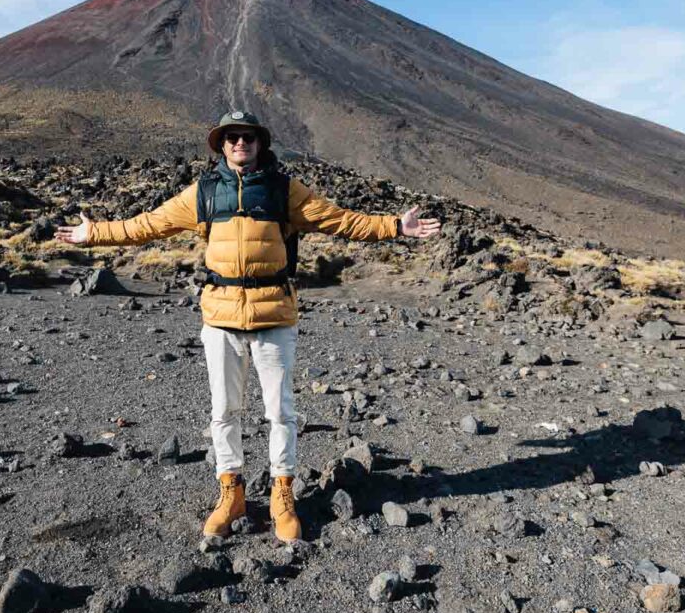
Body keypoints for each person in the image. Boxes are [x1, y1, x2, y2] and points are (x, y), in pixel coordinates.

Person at [57, 110, 441, 542]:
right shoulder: (202, 193)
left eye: (248, 137)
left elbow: (340, 220)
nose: (241, 143)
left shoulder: (284, 190)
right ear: (222, 144)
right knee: (223, 412)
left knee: (280, 412)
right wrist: (96, 234)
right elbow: (147, 225)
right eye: (233, 137)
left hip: (274, 313)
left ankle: (282, 494)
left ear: (260, 143)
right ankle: (231, 493)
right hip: (220, 317)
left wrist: (394, 226)